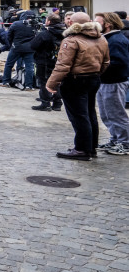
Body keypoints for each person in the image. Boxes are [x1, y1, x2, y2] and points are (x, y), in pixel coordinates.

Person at [46, 12, 110, 161]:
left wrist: (51, 84)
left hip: (75, 80)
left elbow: (63, 65)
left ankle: (82, 149)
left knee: (79, 116)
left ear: (71, 23)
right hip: (93, 78)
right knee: (89, 113)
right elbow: (106, 62)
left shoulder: (72, 40)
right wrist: (96, 73)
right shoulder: (101, 38)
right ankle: (91, 147)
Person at [95, 12, 129, 155]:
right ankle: (116, 139)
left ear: (108, 24)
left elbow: (120, 63)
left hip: (114, 81)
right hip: (106, 81)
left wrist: (97, 65)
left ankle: (125, 143)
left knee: (116, 114)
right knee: (106, 114)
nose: (95, 25)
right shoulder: (108, 38)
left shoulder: (116, 40)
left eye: (98, 22)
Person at [30, 14, 65, 111]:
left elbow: (33, 45)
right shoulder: (65, 33)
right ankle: (57, 103)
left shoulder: (45, 34)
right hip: (59, 61)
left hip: (44, 61)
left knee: (44, 82)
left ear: (49, 22)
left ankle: (45, 102)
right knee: (57, 81)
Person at [0, 11, 37, 90]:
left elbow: (9, 36)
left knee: (9, 64)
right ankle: (29, 85)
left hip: (16, 47)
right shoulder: (35, 24)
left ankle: (6, 82)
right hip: (30, 48)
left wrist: (11, 44)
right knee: (29, 67)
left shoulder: (16, 24)